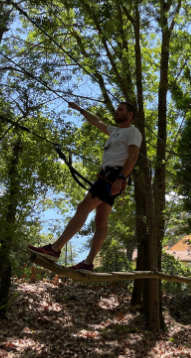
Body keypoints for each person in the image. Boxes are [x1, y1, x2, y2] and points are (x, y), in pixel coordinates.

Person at [28, 101, 141, 270]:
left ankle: (54, 249)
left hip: (113, 176)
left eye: (120, 109)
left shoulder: (133, 132)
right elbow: (97, 122)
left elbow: (132, 157)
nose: (116, 111)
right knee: (101, 221)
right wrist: (80, 110)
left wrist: (120, 177)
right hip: (109, 176)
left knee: (83, 207)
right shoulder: (114, 131)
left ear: (130, 115)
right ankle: (88, 263)